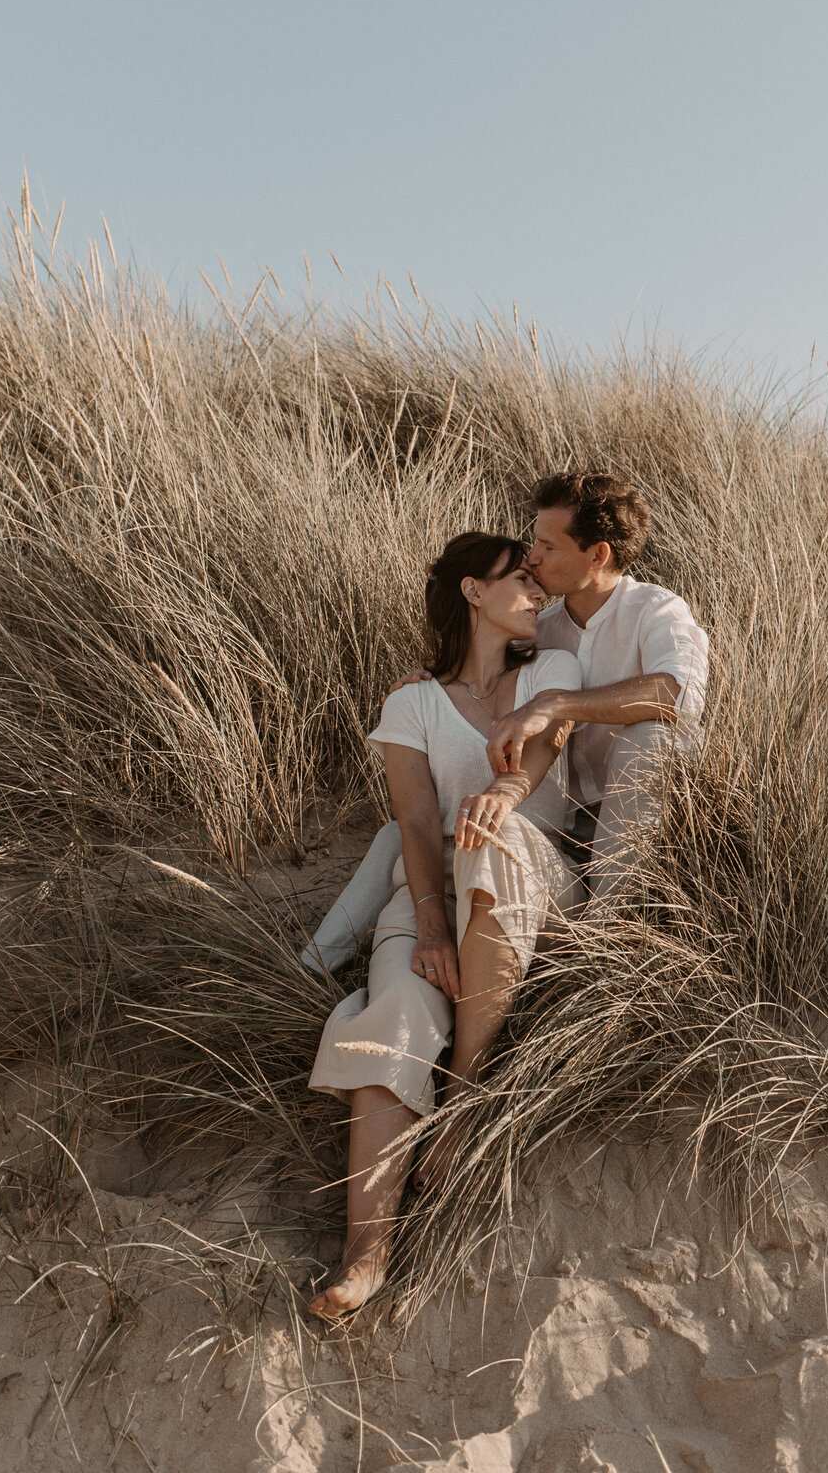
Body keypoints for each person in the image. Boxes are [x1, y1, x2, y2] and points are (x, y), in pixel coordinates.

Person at [305, 532, 582, 1319]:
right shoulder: (412, 702)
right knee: (392, 1016)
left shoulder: (553, 671)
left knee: (492, 834)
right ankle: (365, 1258)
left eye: (540, 581)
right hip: (434, 897)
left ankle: (459, 1100)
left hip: (535, 879)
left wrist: (503, 787)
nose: (539, 594)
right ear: (472, 592)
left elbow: (541, 751)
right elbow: (417, 825)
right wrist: (428, 926)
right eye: (521, 581)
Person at [301, 473, 708, 977]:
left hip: (630, 822)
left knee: (650, 737)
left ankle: (605, 946)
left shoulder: (657, 610)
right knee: (397, 835)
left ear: (597, 555)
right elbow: (482, 666)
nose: (532, 558)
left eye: (545, 544)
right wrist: (427, 685)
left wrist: (558, 703)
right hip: (551, 823)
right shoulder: (546, 628)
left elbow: (674, 694)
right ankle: (311, 970)